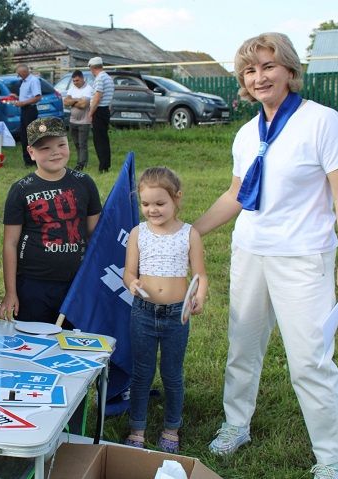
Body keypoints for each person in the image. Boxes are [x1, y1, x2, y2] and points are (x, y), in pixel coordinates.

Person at [193, 32, 338, 479]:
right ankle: (235, 424)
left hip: (303, 257)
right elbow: (236, 194)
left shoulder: (323, 121)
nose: (259, 77)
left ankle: (330, 460)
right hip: (250, 252)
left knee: (310, 361)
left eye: (268, 66)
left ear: (289, 70)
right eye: (250, 70)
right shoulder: (247, 133)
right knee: (242, 347)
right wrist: (192, 231)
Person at [122, 167, 208, 454]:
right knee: (142, 372)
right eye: (146, 204)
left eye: (160, 203)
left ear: (177, 199)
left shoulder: (189, 234)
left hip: (176, 315)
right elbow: (128, 272)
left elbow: (201, 275)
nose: (152, 210)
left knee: (172, 373)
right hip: (143, 312)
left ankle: (171, 427)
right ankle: (137, 427)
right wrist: (132, 282)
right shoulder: (137, 233)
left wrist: (200, 296)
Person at [0, 117, 102, 326]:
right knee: (33, 343)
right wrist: (11, 292)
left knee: (72, 344)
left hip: (75, 283)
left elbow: (96, 235)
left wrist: (94, 282)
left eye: (61, 145)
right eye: (45, 148)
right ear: (31, 152)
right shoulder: (21, 189)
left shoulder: (85, 183)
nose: (55, 152)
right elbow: (10, 243)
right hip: (33, 284)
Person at [87, 57, 114, 173]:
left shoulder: (99, 79)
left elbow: (97, 97)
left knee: (99, 140)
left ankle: (102, 166)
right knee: (104, 139)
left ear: (92, 67)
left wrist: (90, 113)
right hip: (105, 110)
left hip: (99, 110)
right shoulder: (108, 78)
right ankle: (106, 164)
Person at [63, 70, 93, 171]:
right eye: (74, 81)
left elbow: (84, 105)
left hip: (84, 121)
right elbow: (65, 102)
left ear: (82, 78)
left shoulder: (88, 89)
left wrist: (72, 101)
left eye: (77, 80)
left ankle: (82, 163)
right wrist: (77, 100)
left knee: (82, 143)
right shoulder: (72, 88)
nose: (75, 83)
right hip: (73, 121)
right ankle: (80, 160)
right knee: (76, 143)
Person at [14, 64, 42, 167]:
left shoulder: (33, 81)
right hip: (24, 110)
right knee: (24, 135)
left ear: (24, 72)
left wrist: (23, 103)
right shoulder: (24, 82)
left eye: (19, 74)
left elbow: (37, 97)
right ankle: (28, 160)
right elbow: (26, 97)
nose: (18, 76)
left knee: (31, 135)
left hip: (30, 110)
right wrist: (17, 97)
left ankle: (34, 160)